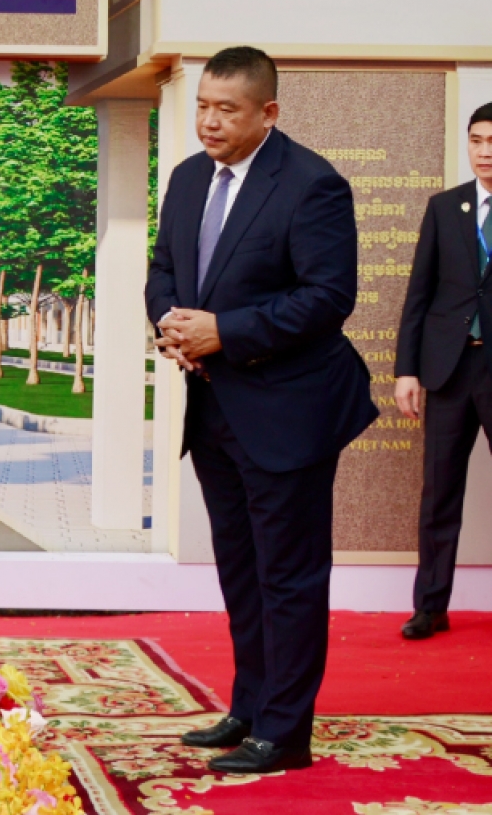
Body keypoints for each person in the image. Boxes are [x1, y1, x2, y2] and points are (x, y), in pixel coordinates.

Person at [146, 47, 376, 774]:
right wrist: (172, 326)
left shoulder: (311, 184)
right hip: (214, 406)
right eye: (203, 106)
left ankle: (286, 733)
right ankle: (250, 705)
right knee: (241, 569)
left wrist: (226, 330)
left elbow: (327, 297)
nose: (209, 121)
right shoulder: (186, 179)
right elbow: (165, 271)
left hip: (290, 411)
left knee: (289, 574)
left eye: (227, 110)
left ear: (268, 112)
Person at [393, 102, 492, 640]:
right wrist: (407, 370)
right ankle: (430, 605)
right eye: (477, 140)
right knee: (439, 492)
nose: (485, 151)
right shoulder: (444, 207)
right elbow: (419, 294)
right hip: (449, 371)